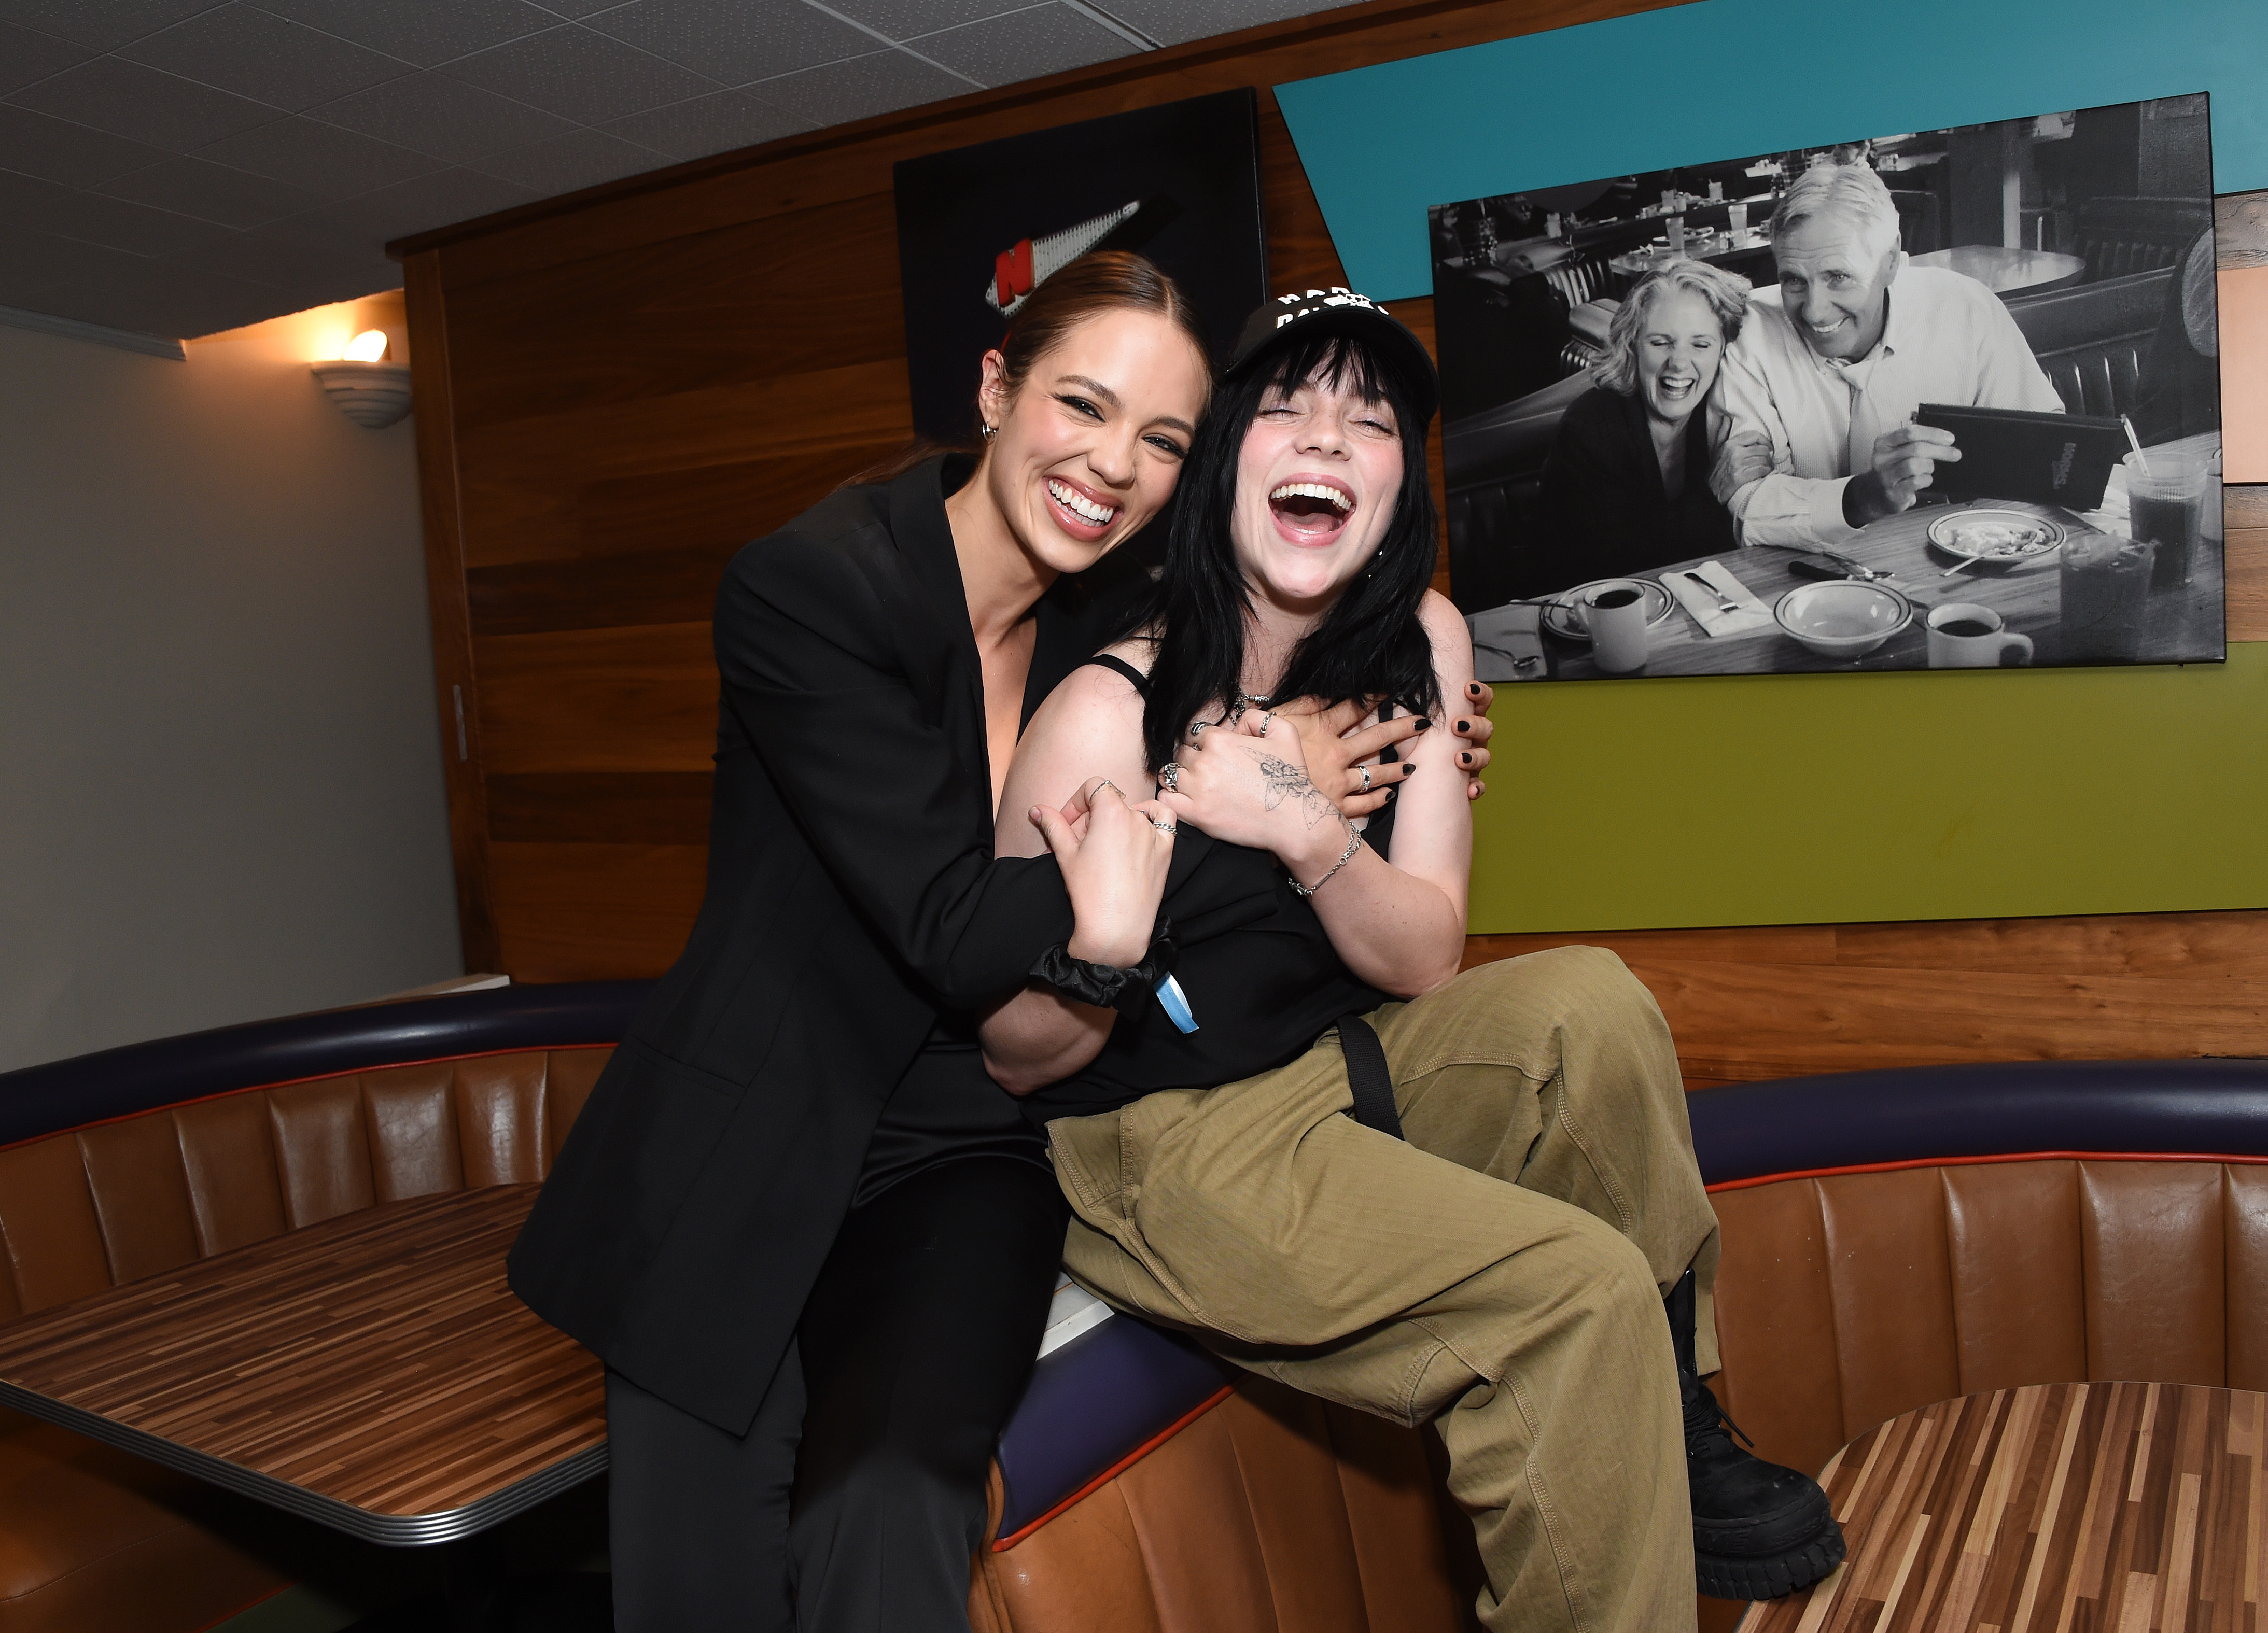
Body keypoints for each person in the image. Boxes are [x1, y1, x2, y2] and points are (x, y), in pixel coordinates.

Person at [506, 250, 1494, 1631]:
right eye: (1081, 407)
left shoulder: (1122, 601)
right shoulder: (811, 588)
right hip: (751, 1124)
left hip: (967, 1132)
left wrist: (1417, 720)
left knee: (894, 1508)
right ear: (993, 386)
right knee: (699, 1583)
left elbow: (1292, 645)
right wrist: (1242, 795)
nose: (1111, 466)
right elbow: (954, 925)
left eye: (1160, 440)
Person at [983, 287, 1845, 1630]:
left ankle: (1668, 1415)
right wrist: (1118, 912)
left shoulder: (1426, 642)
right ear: (1223, 459)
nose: (1324, 440)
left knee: (1589, 1002)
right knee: (1574, 1293)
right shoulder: (1107, 704)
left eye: (1366, 419)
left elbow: (1424, 955)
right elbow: (1008, 1049)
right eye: (1284, 407)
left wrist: (1297, 825)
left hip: (1341, 1061)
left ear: (1396, 478)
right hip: (1161, 1132)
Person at [1710, 162, 2065, 547]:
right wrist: (1861, 498)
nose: (1814, 311)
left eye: (1838, 277)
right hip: (1805, 578)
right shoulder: (1750, 336)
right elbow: (1748, 506)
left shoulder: (1966, 308)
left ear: (1891, 260)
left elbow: (2043, 451)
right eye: (1794, 281)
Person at [1534, 260, 1751, 587]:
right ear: (1632, 344)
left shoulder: (1723, 415)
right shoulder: (1591, 428)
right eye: (1661, 342)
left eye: (1700, 345)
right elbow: (1621, 573)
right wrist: (1712, 493)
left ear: (1723, 351)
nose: (1679, 363)